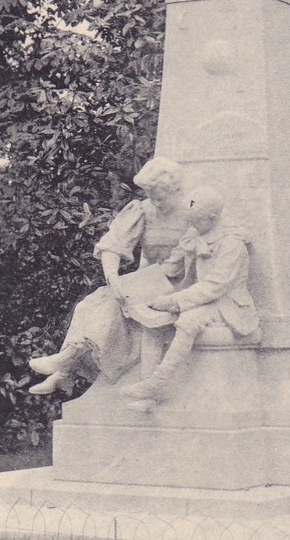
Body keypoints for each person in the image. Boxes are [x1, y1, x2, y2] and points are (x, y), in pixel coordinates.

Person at [28, 157, 191, 395]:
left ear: (176, 189)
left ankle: (65, 366)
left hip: (178, 283)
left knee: (114, 306)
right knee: (94, 302)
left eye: (160, 195)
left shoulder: (191, 212)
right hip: (147, 281)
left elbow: (180, 264)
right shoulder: (143, 210)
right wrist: (113, 279)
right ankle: (64, 368)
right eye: (150, 194)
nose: (155, 201)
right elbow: (113, 245)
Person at [121, 186, 260, 408]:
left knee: (188, 320)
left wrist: (173, 302)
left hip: (227, 304)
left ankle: (158, 382)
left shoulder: (231, 244)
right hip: (196, 299)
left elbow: (214, 286)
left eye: (197, 222)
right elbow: (172, 266)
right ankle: (147, 394)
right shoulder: (195, 234)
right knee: (152, 324)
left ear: (213, 218)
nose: (192, 226)